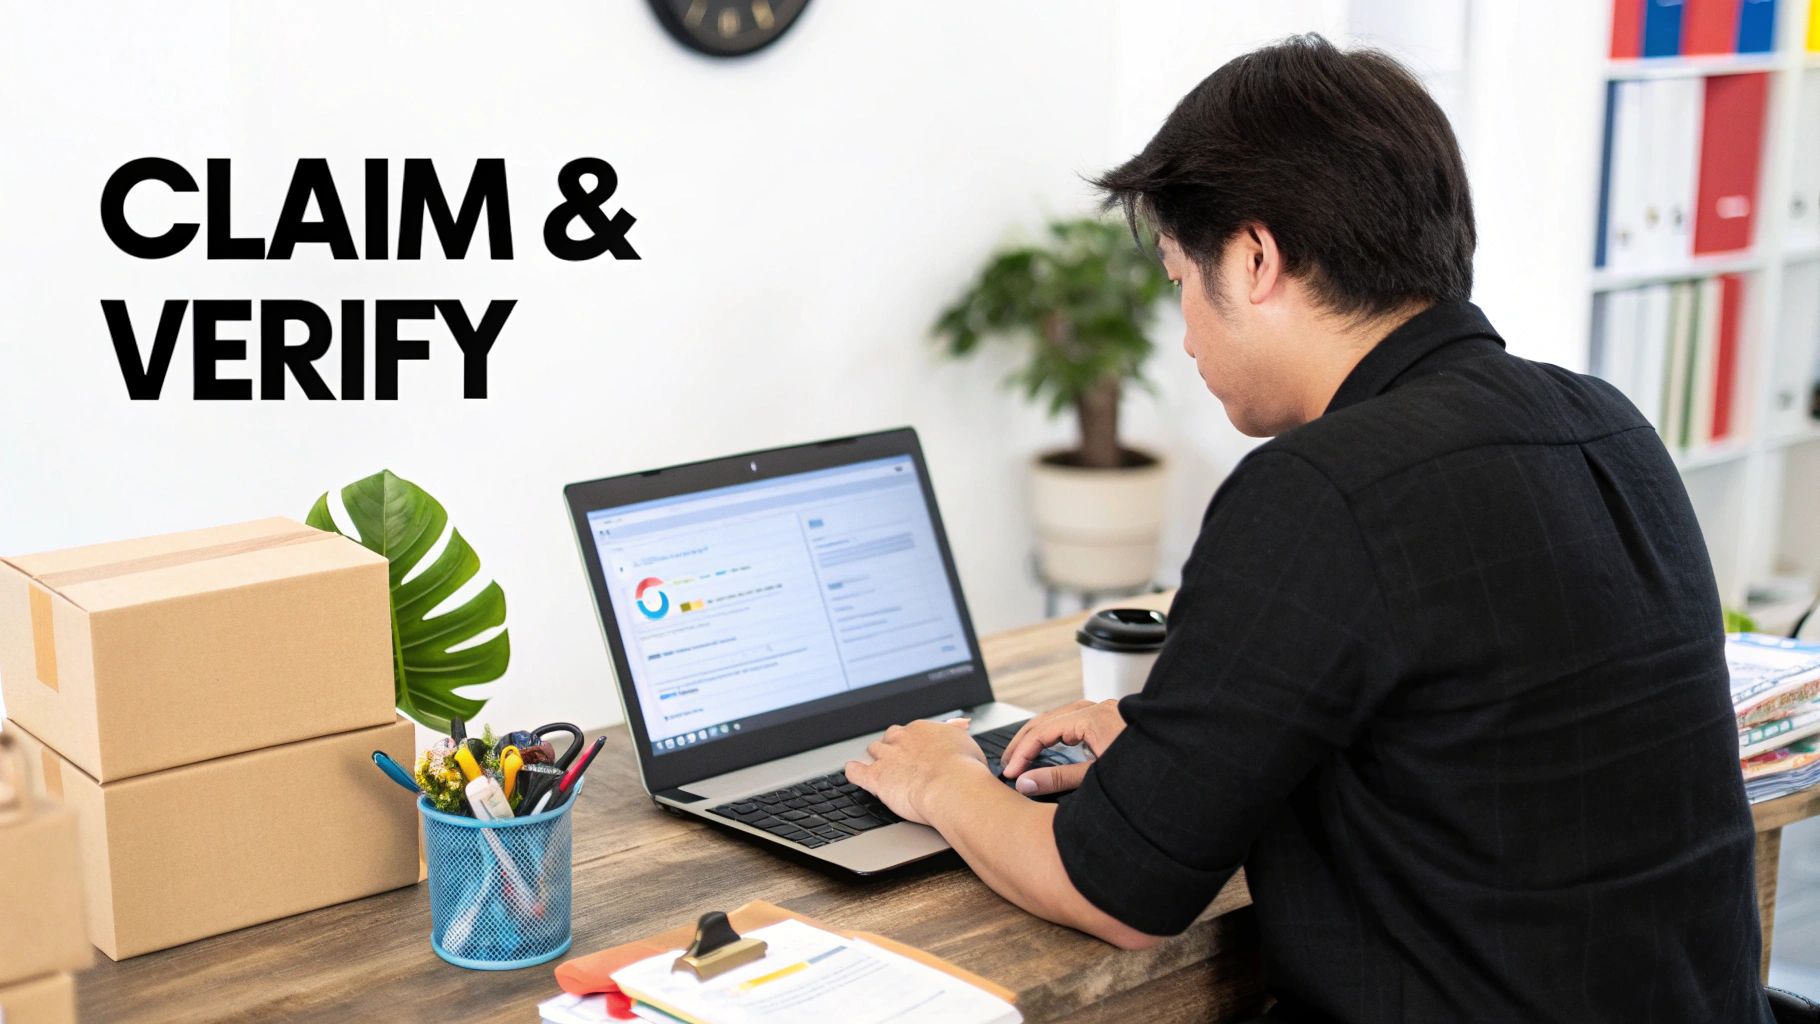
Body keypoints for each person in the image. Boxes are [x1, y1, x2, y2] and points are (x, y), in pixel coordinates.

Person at [845, 34, 1772, 1024]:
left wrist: (943, 778)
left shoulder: (1321, 488)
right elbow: (1477, 735)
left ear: (1252, 259)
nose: (1187, 330)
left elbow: (1113, 889)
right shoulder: (1601, 420)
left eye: (1177, 278)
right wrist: (1174, 743)